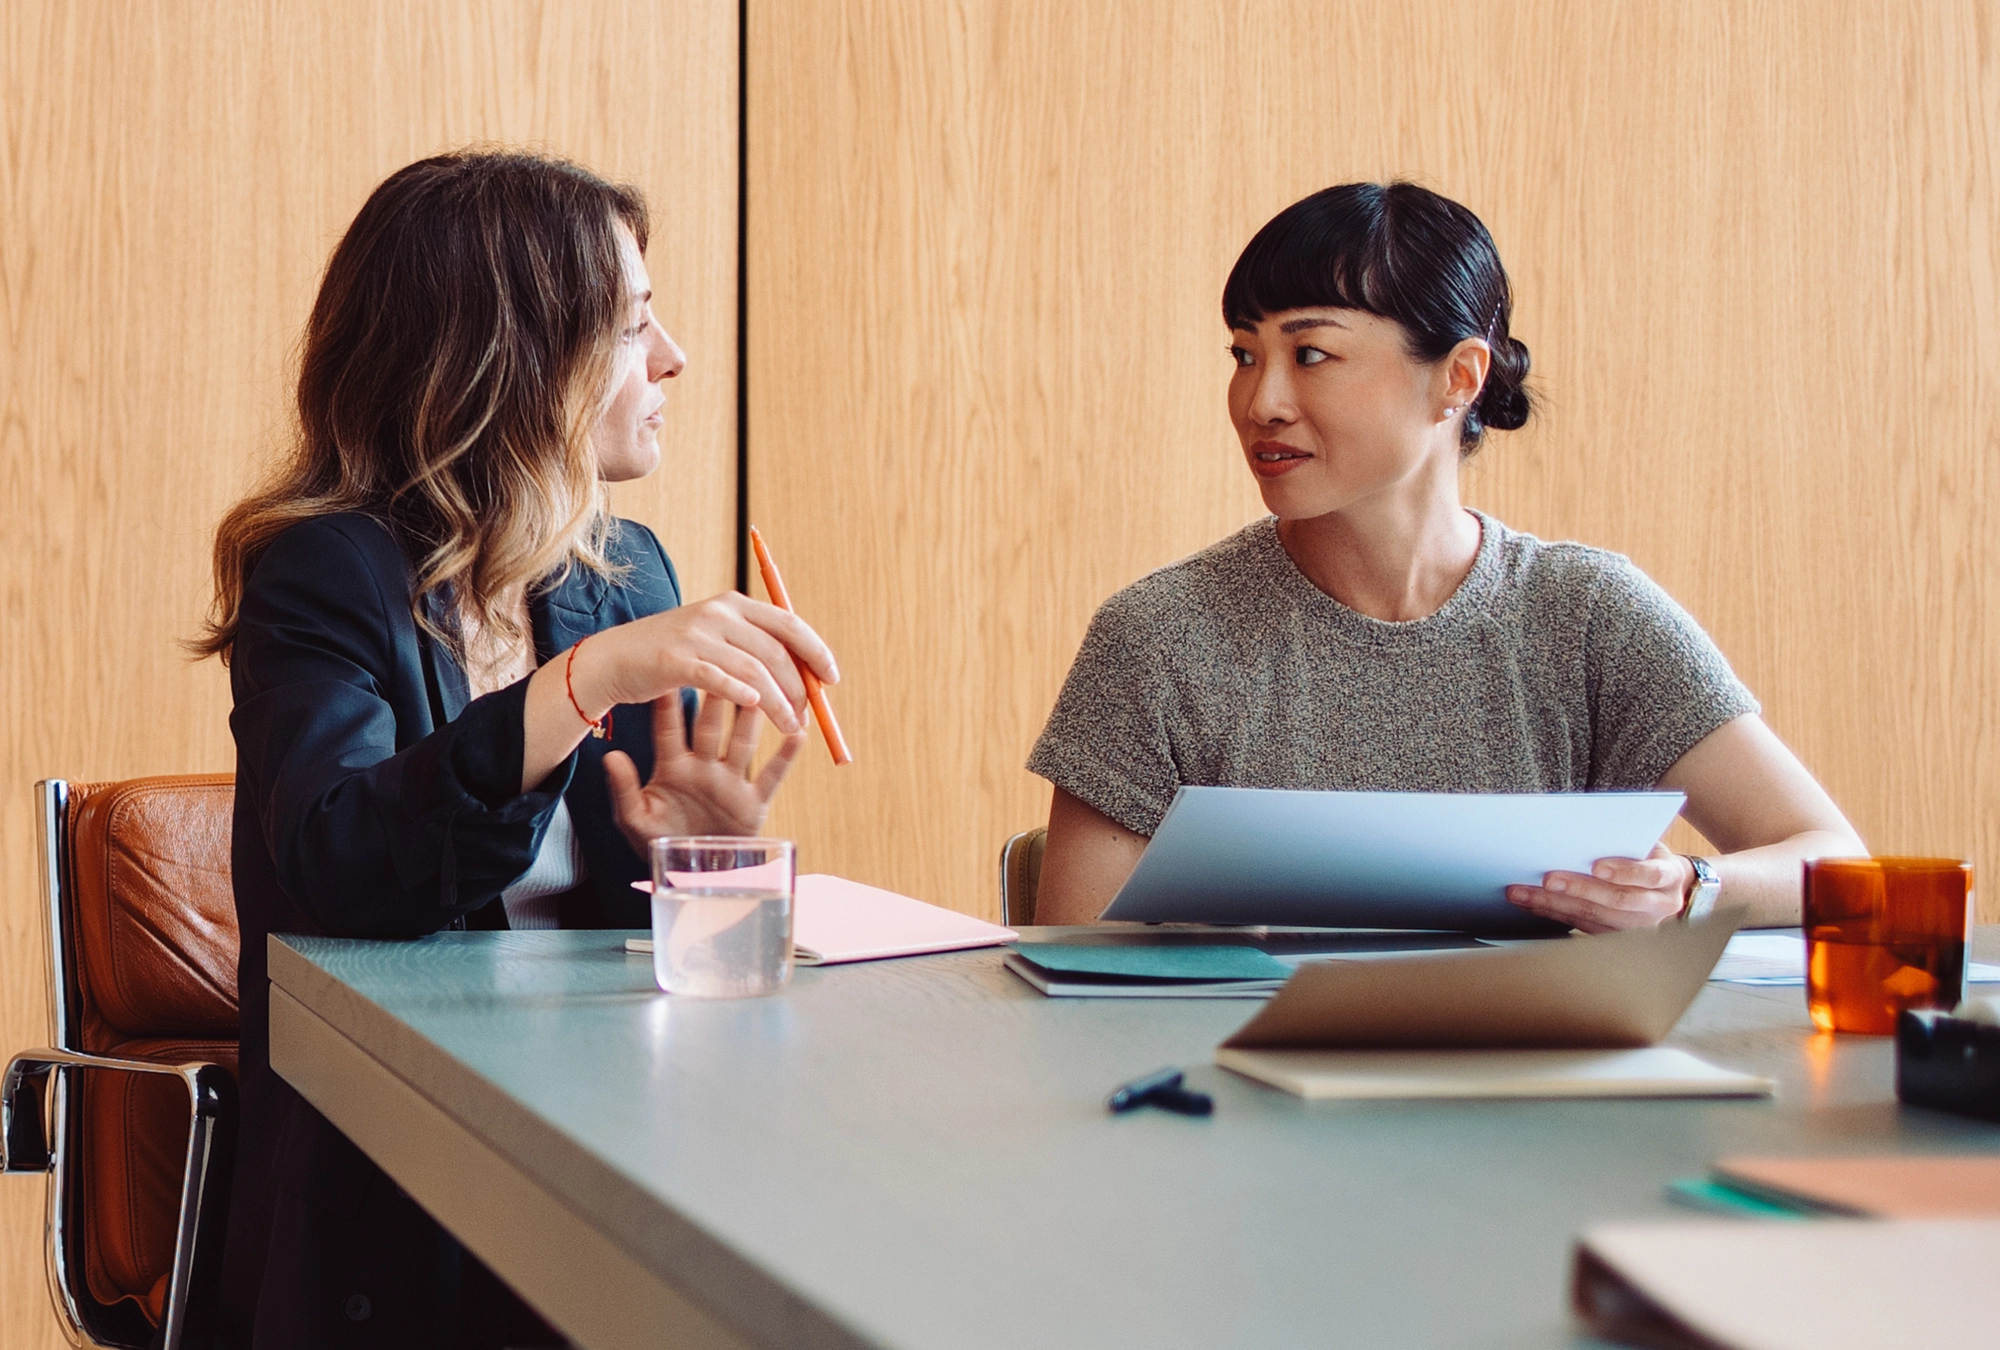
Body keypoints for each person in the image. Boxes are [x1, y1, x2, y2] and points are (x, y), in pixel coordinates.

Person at [195, 152, 838, 1348]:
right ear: (513, 357)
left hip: (609, 1134)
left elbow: (649, 971)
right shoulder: (327, 572)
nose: (673, 359)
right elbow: (337, 865)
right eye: (633, 324)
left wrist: (704, 871)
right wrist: (580, 685)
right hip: (395, 1178)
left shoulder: (623, 570)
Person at [1028, 181, 1861, 929]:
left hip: (1538, 1086)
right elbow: (1076, 970)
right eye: (1246, 355)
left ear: (1459, 377)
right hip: (1242, 1088)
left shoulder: (1588, 614)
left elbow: (1833, 859)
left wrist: (1689, 888)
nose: (1261, 400)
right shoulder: (1157, 636)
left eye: (1309, 354)